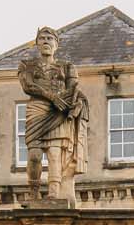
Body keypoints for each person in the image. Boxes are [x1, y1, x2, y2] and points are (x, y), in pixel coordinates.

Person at [17, 25, 92, 199]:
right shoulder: (27, 65)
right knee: (34, 156)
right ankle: (34, 193)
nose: (46, 41)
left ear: (56, 44)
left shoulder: (67, 67)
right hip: (37, 109)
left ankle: (54, 195)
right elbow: (28, 86)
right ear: (37, 43)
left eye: (50, 39)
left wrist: (69, 102)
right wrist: (52, 97)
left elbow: (73, 88)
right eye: (42, 38)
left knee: (55, 154)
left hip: (59, 111)